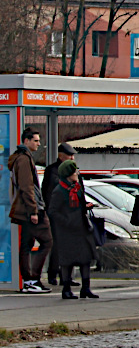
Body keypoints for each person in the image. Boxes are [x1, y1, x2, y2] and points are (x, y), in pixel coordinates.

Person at [8, 128, 52, 293]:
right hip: (32, 210)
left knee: (26, 244)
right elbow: (27, 187)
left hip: (26, 209)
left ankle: (28, 281)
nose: (39, 144)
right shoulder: (24, 159)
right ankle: (33, 279)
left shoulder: (20, 158)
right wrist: (34, 211)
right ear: (26, 141)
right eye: (36, 140)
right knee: (47, 241)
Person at [46, 161, 98, 300]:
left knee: (85, 258)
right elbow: (52, 211)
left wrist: (86, 206)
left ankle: (86, 288)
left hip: (81, 227)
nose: (77, 174)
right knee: (67, 260)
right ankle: (66, 289)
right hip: (66, 231)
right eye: (75, 172)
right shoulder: (59, 190)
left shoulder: (77, 187)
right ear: (68, 174)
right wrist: (66, 220)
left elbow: (80, 204)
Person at [40, 142, 77, 287]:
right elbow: (49, 193)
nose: (72, 158)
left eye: (73, 155)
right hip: (58, 215)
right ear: (61, 156)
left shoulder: (74, 170)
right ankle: (53, 273)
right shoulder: (52, 171)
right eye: (69, 155)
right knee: (57, 245)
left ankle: (66, 276)